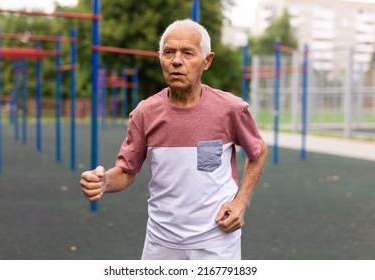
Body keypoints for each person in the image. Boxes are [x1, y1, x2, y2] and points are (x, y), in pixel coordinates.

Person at [80, 18, 268, 260]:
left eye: (188, 53)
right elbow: (126, 172)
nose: (176, 60)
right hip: (161, 240)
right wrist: (104, 181)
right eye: (169, 52)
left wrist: (241, 202)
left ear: (207, 61)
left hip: (216, 239)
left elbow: (258, 150)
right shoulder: (144, 113)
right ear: (161, 59)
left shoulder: (229, 109)